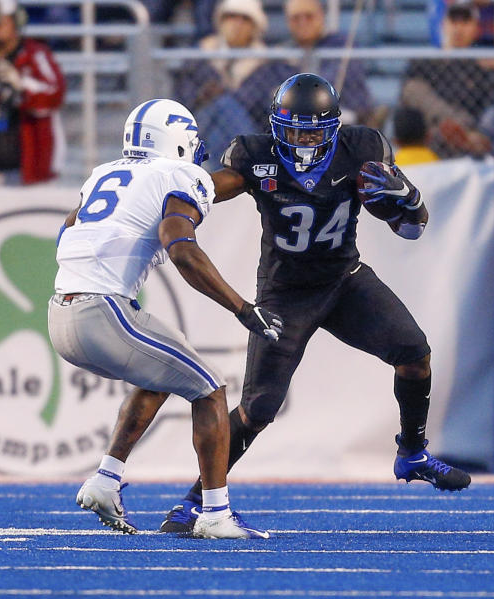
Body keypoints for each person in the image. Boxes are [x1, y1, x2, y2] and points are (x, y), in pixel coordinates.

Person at [158, 73, 472, 535]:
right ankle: (195, 501)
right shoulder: (255, 154)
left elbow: (411, 227)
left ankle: (412, 452)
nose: (303, 140)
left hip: (344, 280)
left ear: (332, 128)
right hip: (284, 293)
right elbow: (208, 190)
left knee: (415, 355)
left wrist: (408, 196)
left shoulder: (361, 148)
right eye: (294, 130)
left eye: (312, 131)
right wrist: (187, 191)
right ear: (275, 126)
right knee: (258, 408)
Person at [50, 99, 284, 539]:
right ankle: (215, 514)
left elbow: (67, 231)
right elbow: (181, 248)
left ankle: (105, 478)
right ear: (176, 141)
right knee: (210, 389)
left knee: (163, 373)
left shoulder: (103, 173)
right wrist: (242, 307)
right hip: (104, 310)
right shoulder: (178, 175)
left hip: (61, 312)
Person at [174, 0, 295, 170]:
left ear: (255, 25)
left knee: (224, 108)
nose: (236, 24)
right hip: (202, 127)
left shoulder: (267, 62)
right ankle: (242, 171)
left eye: (244, 19)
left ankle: (219, 177)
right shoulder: (199, 56)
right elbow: (182, 98)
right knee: (222, 106)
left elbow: (263, 108)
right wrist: (202, 96)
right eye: (230, 17)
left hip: (248, 129)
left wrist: (225, 95)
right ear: (220, 21)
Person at [0, 0, 66, 184]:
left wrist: (20, 84)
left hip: (27, 165)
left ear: (16, 22)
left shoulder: (34, 54)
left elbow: (55, 94)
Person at [400, 1, 494, 159]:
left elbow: (488, 107)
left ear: (476, 29)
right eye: (454, 20)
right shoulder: (424, 62)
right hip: (433, 131)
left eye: (465, 21)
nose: (458, 28)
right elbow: (409, 94)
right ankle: (460, 129)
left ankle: (462, 132)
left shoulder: (483, 68)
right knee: (414, 89)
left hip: (472, 137)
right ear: (443, 25)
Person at [282, 0, 380, 127]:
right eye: (296, 18)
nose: (303, 22)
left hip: (348, 118)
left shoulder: (342, 45)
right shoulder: (282, 54)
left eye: (309, 16)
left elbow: (328, 83)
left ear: (321, 16)